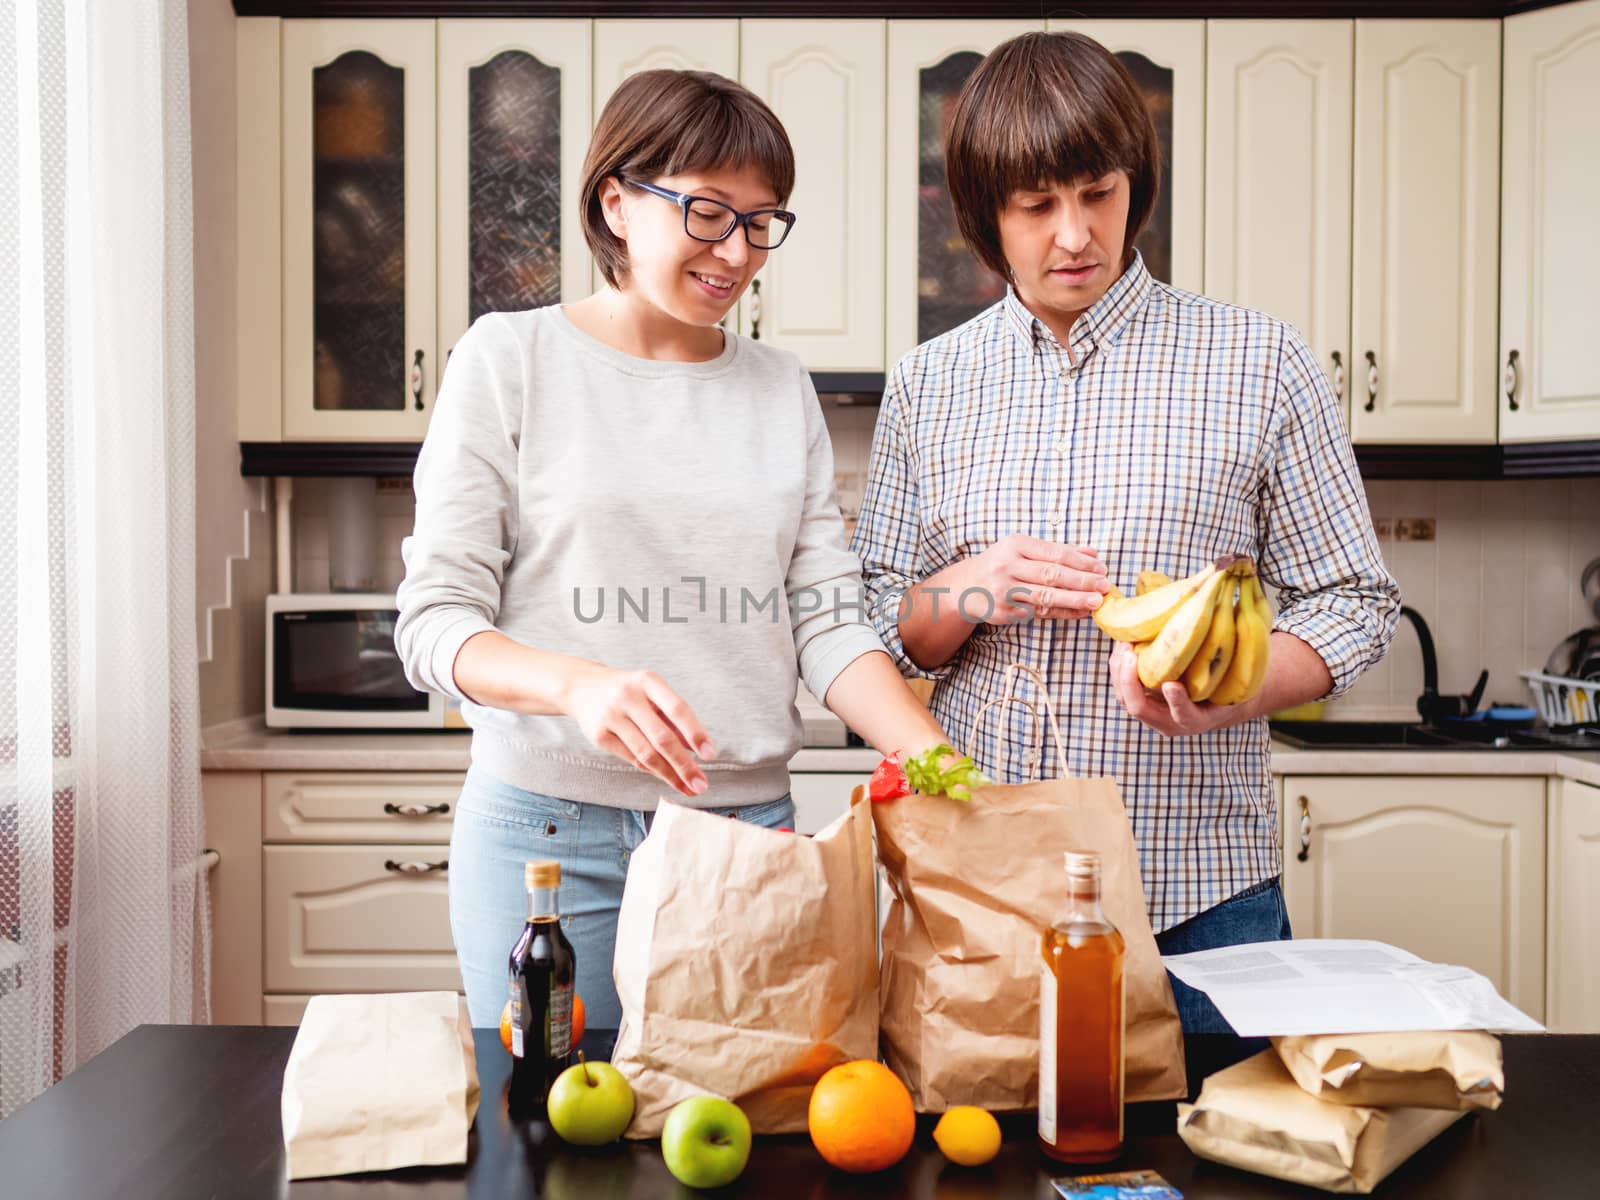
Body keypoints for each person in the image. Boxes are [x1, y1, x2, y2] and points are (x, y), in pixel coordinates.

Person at [850, 32, 1400, 1033]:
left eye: (1097, 193)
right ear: (984, 219)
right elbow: (875, 627)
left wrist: (1234, 689)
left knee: (1225, 1177)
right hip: (983, 885)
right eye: (1036, 206)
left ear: (1134, 186)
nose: (1074, 235)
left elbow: (1355, 602)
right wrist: (968, 587)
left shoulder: (1259, 360)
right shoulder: (928, 385)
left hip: (1198, 899)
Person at [396, 69, 949, 1032]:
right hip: (545, 835)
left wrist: (933, 754)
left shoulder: (782, 387)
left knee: (739, 1137)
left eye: (761, 221)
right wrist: (579, 685)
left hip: (745, 836)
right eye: (706, 212)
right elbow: (436, 623)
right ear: (616, 200)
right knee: (548, 1137)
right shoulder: (509, 359)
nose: (737, 252)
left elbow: (827, 623)